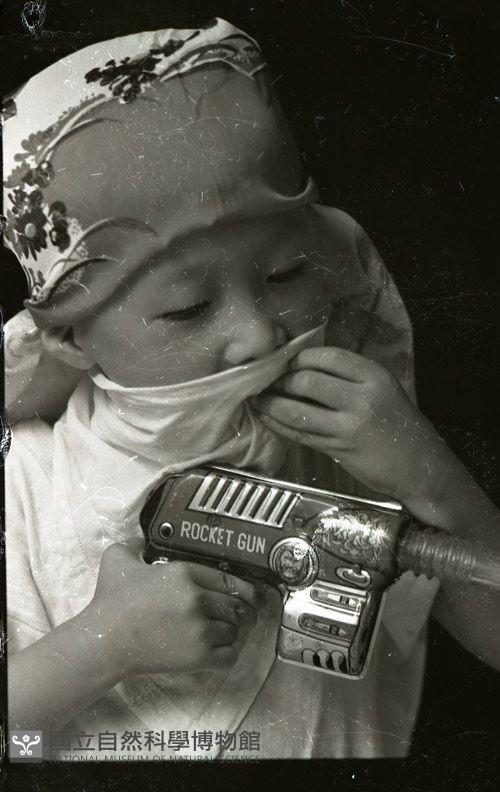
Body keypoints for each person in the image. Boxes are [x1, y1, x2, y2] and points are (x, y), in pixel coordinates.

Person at [3, 18, 499, 761]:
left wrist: (431, 478)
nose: (259, 335)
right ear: (72, 337)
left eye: (287, 274)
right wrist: (101, 645)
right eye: (187, 308)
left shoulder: (357, 444)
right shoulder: (27, 482)